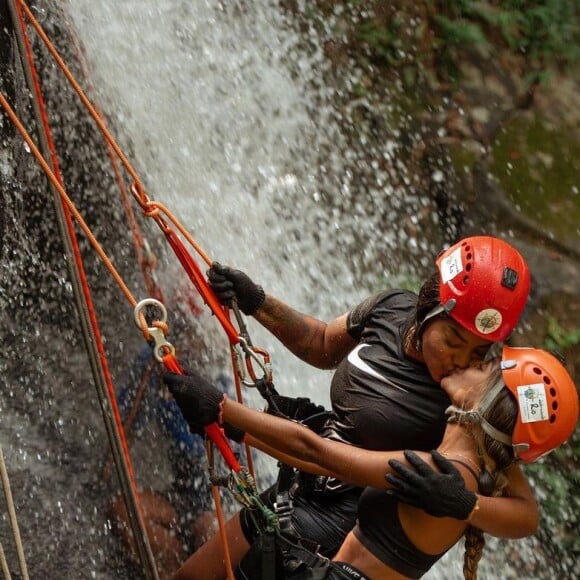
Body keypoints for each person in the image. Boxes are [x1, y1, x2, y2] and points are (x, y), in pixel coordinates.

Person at [170, 235, 536, 578]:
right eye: (453, 340)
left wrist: (465, 503)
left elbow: (525, 513)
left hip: (337, 540)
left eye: (479, 351)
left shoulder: (469, 400)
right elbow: (321, 343)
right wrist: (257, 303)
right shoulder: (391, 309)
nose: (461, 360)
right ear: (428, 309)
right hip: (295, 489)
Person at [165, 345, 579, 579]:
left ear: (491, 400)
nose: (472, 359)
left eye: (486, 364)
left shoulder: (436, 472)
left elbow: (319, 455)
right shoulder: (469, 470)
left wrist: (222, 411)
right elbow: (527, 515)